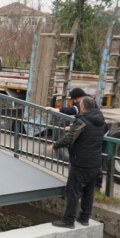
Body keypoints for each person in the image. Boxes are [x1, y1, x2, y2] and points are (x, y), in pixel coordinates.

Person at [47, 96, 107, 229]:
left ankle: (68, 220)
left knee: (73, 192)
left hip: (81, 163)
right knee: (88, 193)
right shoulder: (100, 120)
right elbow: (87, 133)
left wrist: (55, 145)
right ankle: (85, 218)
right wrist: (73, 127)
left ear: (83, 107)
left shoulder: (82, 121)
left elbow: (69, 139)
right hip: (96, 163)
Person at [46, 88, 109, 191]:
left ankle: (97, 184)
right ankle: (92, 185)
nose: (75, 102)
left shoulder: (87, 102)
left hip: (100, 134)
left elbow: (75, 111)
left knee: (98, 159)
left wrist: (58, 110)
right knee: (94, 161)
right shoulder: (88, 100)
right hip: (98, 132)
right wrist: (74, 126)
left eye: (75, 100)